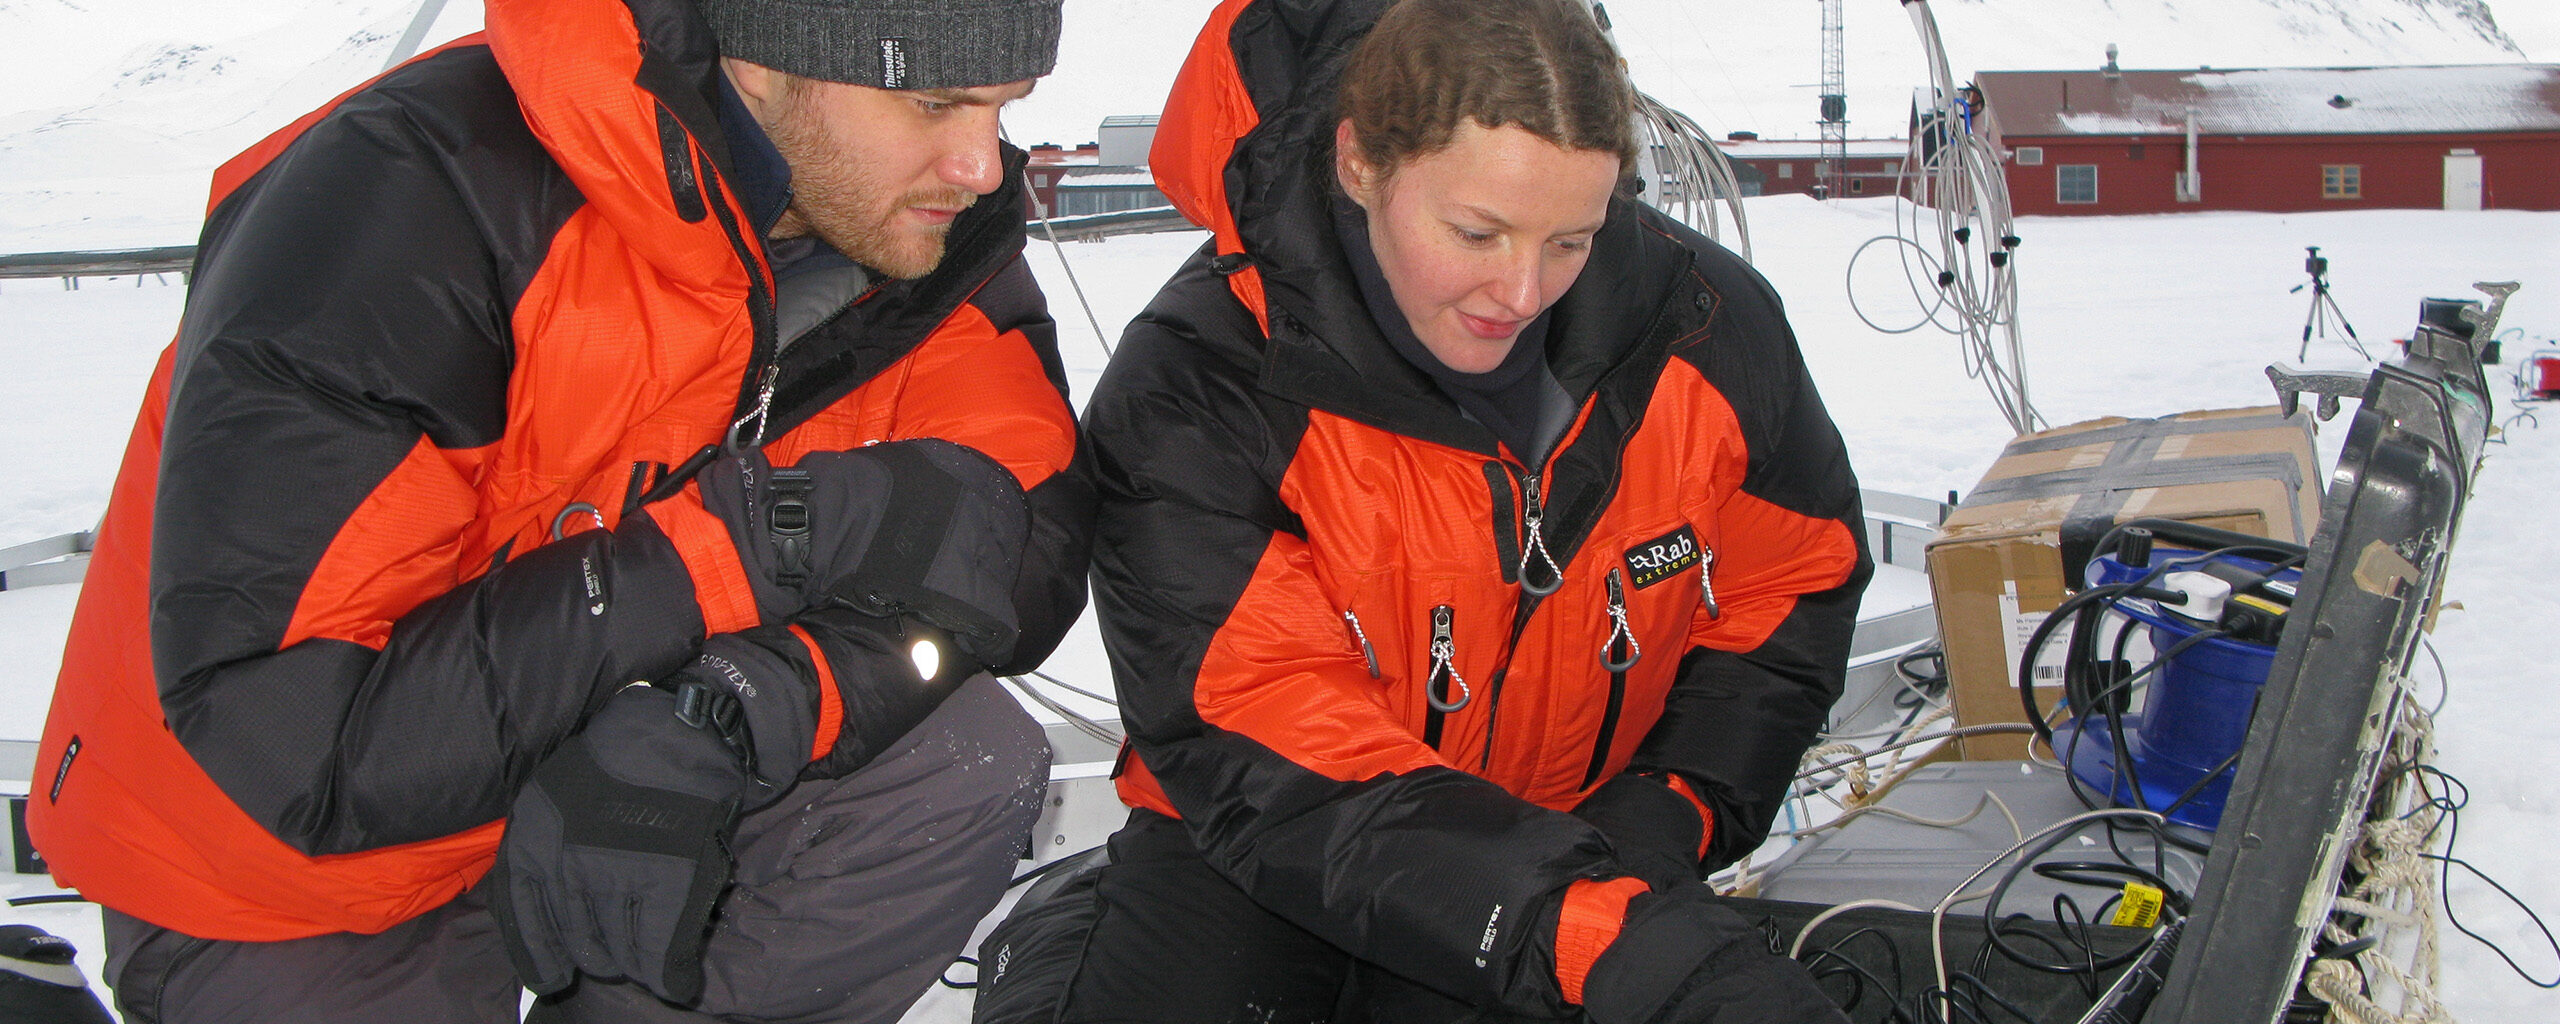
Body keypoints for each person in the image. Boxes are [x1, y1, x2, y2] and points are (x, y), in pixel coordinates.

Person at [29, 0, 1088, 1020]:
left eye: (1002, 107)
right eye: (937, 106)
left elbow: (1018, 543)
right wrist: (753, 541)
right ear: (767, 64)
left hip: (628, 757)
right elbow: (301, 733)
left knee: (953, 767)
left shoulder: (916, 240)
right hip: (293, 867)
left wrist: (746, 704)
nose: (982, 167)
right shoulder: (410, 201)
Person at [987, 0, 1871, 1021]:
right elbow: (1266, 738)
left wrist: (1675, 805)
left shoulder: (1707, 332)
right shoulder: (1201, 384)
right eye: (1476, 232)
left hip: (1576, 835)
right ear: (1360, 163)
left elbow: (1788, 590)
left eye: (1573, 239)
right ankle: (1062, 937)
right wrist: (1570, 926)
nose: (1523, 288)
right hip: (1265, 839)